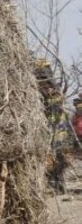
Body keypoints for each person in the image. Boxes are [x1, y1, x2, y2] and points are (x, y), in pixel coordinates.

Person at [35, 58, 70, 194]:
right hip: (48, 130)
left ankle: (59, 184)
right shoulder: (39, 91)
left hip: (58, 130)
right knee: (49, 160)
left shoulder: (54, 90)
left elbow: (57, 106)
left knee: (60, 159)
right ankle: (54, 184)